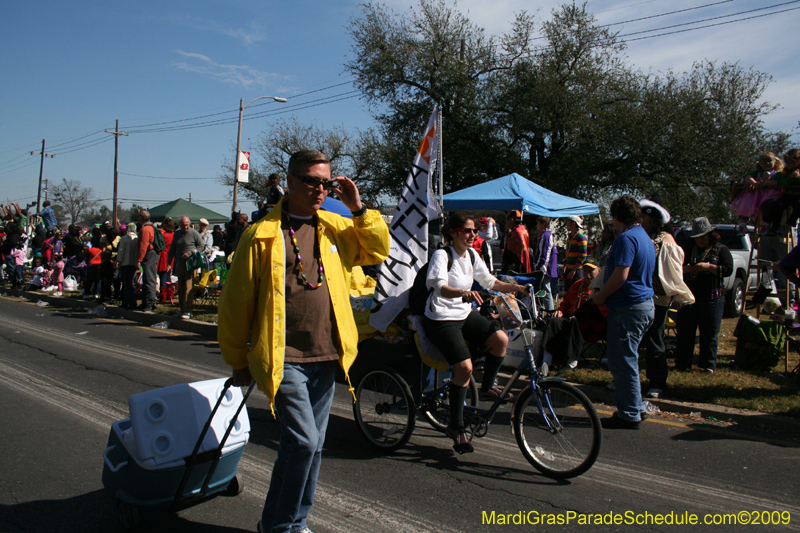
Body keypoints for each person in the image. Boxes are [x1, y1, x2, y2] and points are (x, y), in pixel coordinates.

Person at [218, 149, 390, 533]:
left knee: (313, 448)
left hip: (326, 353)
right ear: (291, 181)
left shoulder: (334, 226)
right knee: (304, 443)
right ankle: (277, 525)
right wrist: (238, 361)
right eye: (311, 180)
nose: (320, 189)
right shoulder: (261, 235)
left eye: (326, 182)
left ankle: (296, 522)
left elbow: (377, 249)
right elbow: (236, 303)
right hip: (284, 357)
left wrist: (358, 208)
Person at [423, 212, 530, 454]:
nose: (473, 235)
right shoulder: (442, 255)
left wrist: (517, 287)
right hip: (441, 317)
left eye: (474, 231)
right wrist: (463, 293)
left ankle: (487, 386)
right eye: (468, 230)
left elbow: (490, 281)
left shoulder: (472, 255)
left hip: (462, 313)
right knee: (464, 368)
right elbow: (438, 287)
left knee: (501, 340)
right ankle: (456, 425)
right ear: (454, 233)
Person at [591, 196, 655, 429]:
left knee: (622, 361)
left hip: (628, 306)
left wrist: (600, 296)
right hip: (643, 304)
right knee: (629, 359)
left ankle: (629, 414)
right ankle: (635, 407)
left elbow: (620, 276)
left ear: (617, 216)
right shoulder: (644, 237)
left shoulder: (626, 238)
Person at [639, 197, 695, 399]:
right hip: (637, 296)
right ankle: (628, 380)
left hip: (657, 298)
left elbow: (672, 271)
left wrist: (677, 293)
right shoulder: (640, 235)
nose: (641, 219)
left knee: (654, 339)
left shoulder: (665, 239)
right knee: (632, 340)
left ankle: (657, 382)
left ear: (653, 218)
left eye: (644, 216)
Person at [675, 217, 733, 374]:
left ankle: (708, 365)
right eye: (697, 237)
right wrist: (685, 269)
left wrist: (709, 267)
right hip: (689, 297)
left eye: (703, 237)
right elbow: (675, 269)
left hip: (712, 297)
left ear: (710, 235)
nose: (700, 240)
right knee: (685, 332)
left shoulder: (720, 249)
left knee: (709, 333)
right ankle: (682, 363)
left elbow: (728, 269)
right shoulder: (687, 250)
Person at [539, 257, 607, 375]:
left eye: (591, 271)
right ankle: (546, 361)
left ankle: (572, 362)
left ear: (599, 271)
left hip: (591, 325)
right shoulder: (578, 285)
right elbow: (565, 303)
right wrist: (560, 311)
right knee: (554, 321)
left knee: (576, 321)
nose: (587, 274)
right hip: (570, 319)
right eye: (585, 271)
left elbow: (603, 311)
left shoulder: (602, 287)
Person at [730, 152, 783, 235]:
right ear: (760, 163)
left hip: (771, 193)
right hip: (756, 194)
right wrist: (754, 183)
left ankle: (765, 226)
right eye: (764, 161)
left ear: (775, 161)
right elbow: (747, 176)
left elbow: (780, 182)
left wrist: (767, 183)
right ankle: (742, 225)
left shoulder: (778, 173)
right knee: (745, 202)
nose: (767, 163)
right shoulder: (758, 172)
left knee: (766, 206)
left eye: (770, 161)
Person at [167, 216, 204, 319]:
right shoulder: (177, 234)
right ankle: (182, 309)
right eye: (183, 225)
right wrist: (169, 263)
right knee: (181, 287)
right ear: (180, 225)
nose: (185, 227)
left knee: (188, 287)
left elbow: (201, 245)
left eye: (187, 225)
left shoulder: (194, 233)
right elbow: (172, 249)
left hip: (190, 263)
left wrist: (191, 252)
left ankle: (188, 310)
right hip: (180, 263)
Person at [759, 149, 800, 236]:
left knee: (798, 206)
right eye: (786, 162)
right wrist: (791, 178)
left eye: (790, 162)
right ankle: (774, 228)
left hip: (798, 196)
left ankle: (788, 225)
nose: (787, 164)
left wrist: (798, 177)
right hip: (788, 195)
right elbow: (782, 182)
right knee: (778, 206)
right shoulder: (785, 170)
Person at [532, 216, 559, 313]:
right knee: (544, 290)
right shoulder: (544, 235)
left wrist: (540, 267)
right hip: (545, 267)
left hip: (545, 268)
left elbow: (545, 253)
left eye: (538, 223)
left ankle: (550, 312)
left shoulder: (546, 235)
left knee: (546, 290)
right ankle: (544, 310)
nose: (537, 226)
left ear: (543, 224)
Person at [136, 210, 159, 312]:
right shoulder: (151, 227)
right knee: (147, 279)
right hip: (152, 254)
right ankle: (145, 302)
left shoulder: (145, 230)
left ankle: (151, 303)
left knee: (149, 280)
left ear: (141, 217)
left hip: (149, 254)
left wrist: (139, 260)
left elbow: (143, 246)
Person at [116, 223, 139, 309]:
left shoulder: (124, 239)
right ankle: (125, 301)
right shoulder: (137, 239)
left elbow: (121, 251)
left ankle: (131, 302)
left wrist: (118, 261)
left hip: (125, 263)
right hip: (134, 263)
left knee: (127, 283)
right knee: (129, 282)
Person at [563, 215, 588, 292]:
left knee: (576, 293)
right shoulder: (570, 237)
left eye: (568, 223)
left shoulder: (581, 237)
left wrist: (574, 270)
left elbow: (583, 255)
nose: (566, 225)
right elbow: (568, 254)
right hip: (568, 269)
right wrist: (564, 267)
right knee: (568, 293)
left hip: (576, 271)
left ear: (573, 223)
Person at [157, 217, 176, 303]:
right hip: (171, 257)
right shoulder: (174, 235)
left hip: (163, 256)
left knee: (163, 276)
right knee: (168, 277)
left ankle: (163, 297)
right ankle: (170, 295)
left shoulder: (163, 235)